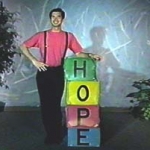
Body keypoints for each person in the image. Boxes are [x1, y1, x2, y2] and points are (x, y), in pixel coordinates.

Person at [20, 8, 101, 145]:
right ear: (50, 18)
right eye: (53, 16)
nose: (55, 19)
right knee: (46, 105)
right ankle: (50, 134)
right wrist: (34, 61)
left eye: (58, 17)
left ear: (63, 19)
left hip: (58, 72)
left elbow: (79, 53)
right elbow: (23, 46)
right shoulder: (42, 35)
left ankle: (56, 134)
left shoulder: (68, 36)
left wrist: (91, 55)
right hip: (44, 72)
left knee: (55, 105)